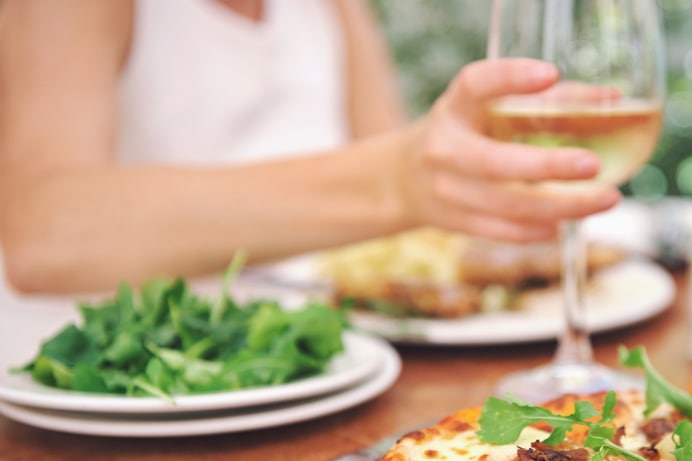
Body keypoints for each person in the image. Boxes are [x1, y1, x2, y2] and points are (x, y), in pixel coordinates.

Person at [0, 0, 622, 294]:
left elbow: (398, 182)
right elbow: (42, 231)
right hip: (132, 401)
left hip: (333, 366)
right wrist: (397, 181)